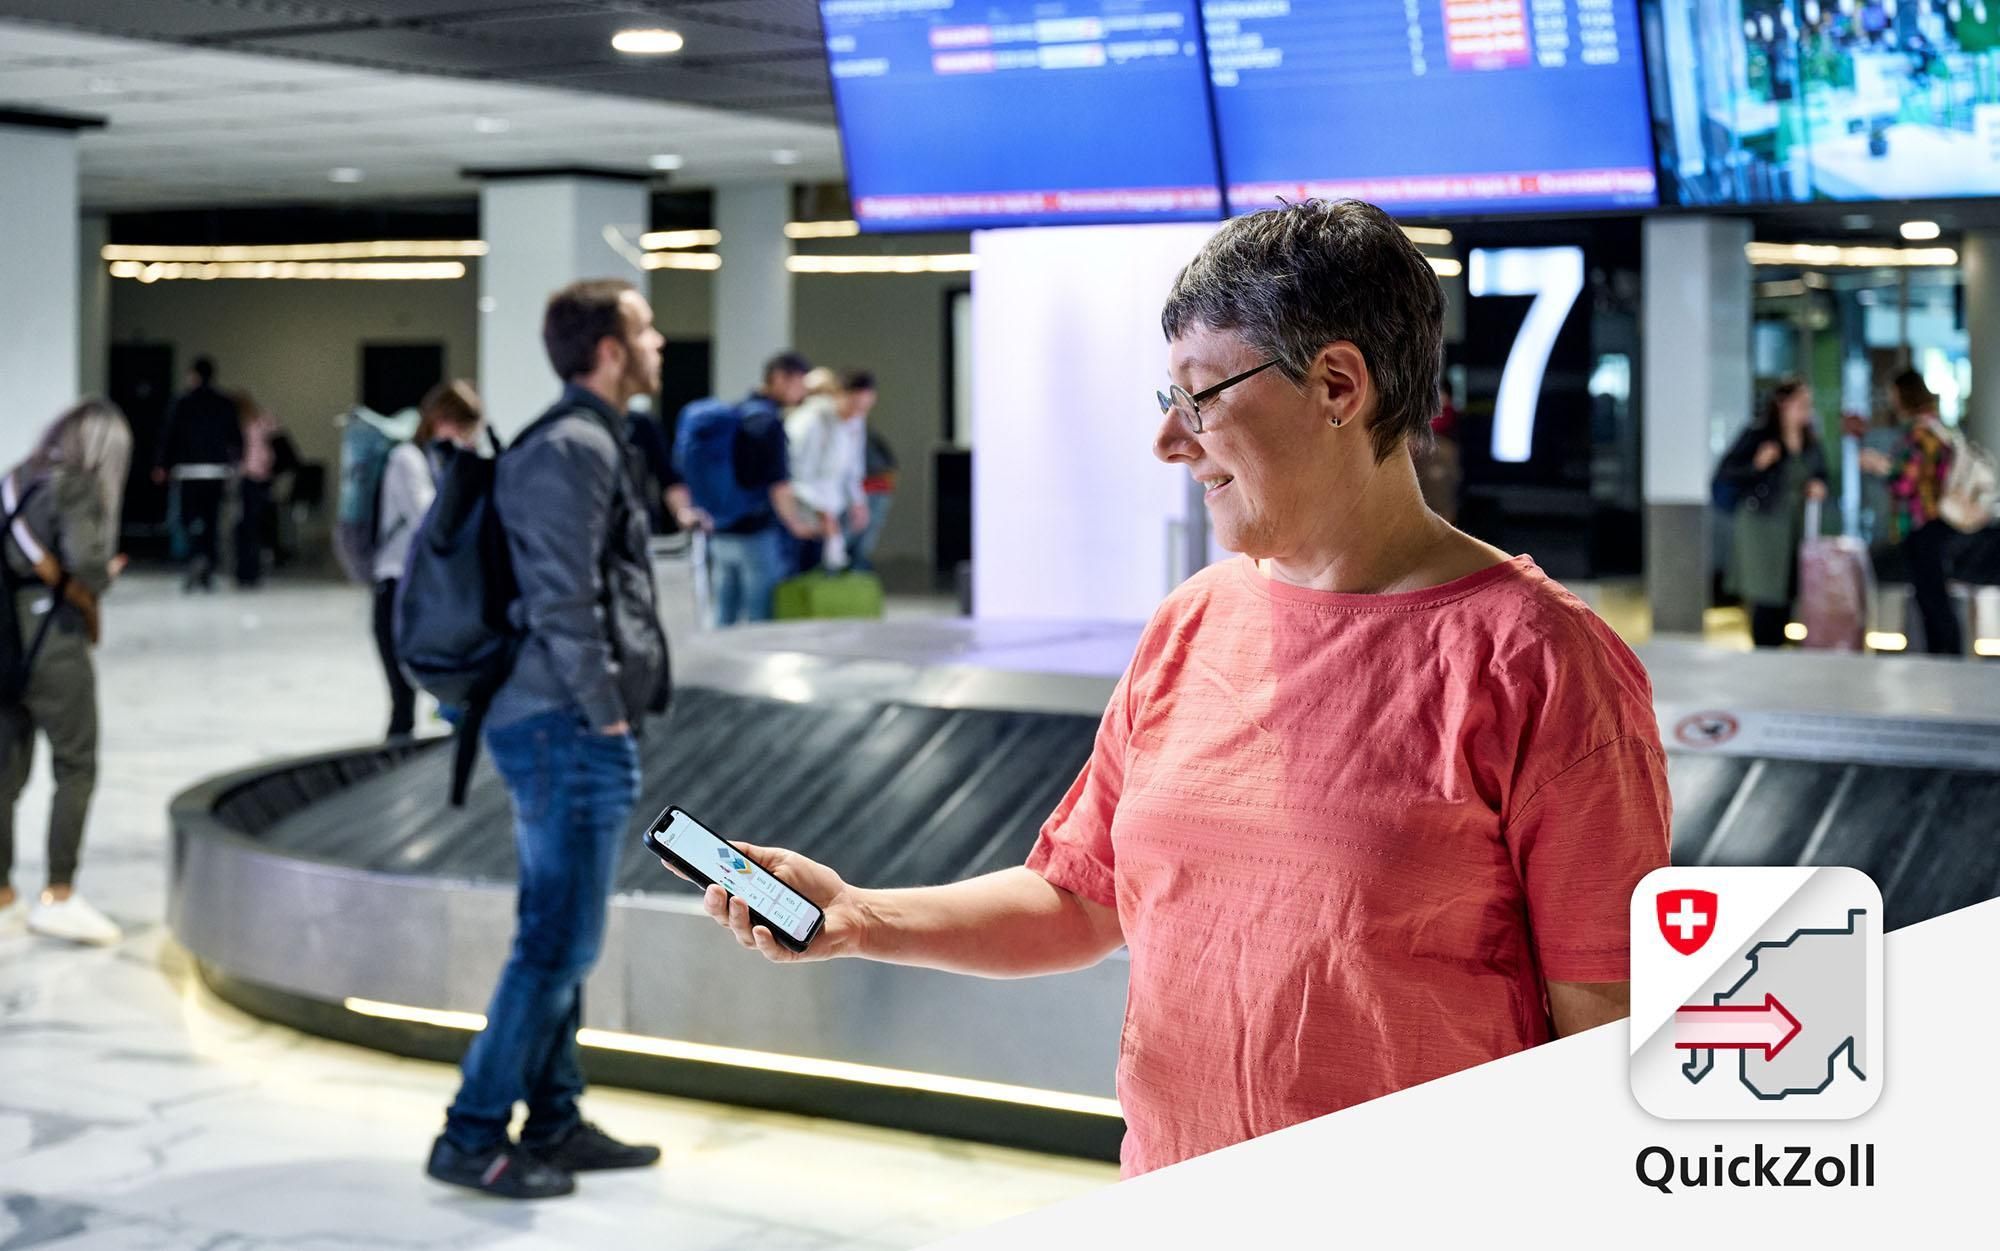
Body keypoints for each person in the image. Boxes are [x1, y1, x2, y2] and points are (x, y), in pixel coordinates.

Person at [675, 200, 1671, 1178]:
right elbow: (1077, 900)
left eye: (1200, 399)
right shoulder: (1193, 624)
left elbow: (1602, 1040)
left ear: (1336, 385)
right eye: (1169, 403)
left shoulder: (1539, 664)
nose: (1169, 443)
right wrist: (858, 916)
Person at [426, 280, 670, 1200]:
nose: (657, 342)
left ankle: (555, 1119)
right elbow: (561, 596)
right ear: (609, 350)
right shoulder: (571, 447)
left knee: (559, 930)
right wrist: (604, 706)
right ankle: (472, 1131)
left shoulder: (588, 440)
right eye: (643, 328)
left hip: (563, 721)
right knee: (556, 944)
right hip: (563, 726)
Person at [0, 400, 133, 946]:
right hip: (54, 642)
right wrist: (104, 574)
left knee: (4, 774)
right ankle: (58, 893)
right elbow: (89, 564)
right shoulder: (74, 485)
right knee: (75, 765)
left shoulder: (15, 478)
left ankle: (3, 894)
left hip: (5, 638)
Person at [373, 380, 483, 741]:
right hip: (397, 589)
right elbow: (431, 522)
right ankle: (388, 787)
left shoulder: (439, 460)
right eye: (462, 427)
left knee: (449, 695)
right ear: (440, 419)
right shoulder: (407, 459)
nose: (466, 437)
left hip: (426, 591)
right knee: (402, 701)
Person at [702, 352, 820, 624]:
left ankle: (718, 665)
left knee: (724, 613)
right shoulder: (769, 423)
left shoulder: (736, 412)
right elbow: (778, 485)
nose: (802, 391)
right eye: (800, 382)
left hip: (721, 528)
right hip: (756, 531)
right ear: (780, 378)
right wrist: (797, 525)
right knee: (760, 617)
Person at [1715, 378, 1829, 648]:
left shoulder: (1810, 439)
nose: (1806, 410)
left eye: (1808, 405)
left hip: (1794, 524)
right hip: (1762, 524)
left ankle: (1779, 644)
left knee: (1788, 587)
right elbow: (1727, 473)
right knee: (1765, 590)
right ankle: (1764, 648)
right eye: (1801, 404)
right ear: (1782, 404)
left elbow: (1821, 473)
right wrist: (1758, 464)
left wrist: (1819, 486)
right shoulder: (1758, 435)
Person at [1860, 370, 1960, 654]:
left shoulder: (1922, 431)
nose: (1891, 401)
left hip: (1924, 523)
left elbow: (1907, 481)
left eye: (1893, 394)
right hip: (1931, 522)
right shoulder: (1934, 427)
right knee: (1932, 595)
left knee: (1932, 597)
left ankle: (1945, 657)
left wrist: (1879, 465)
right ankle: (1943, 656)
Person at [153, 357, 240, 593]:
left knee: (187, 520)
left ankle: (195, 557)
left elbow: (168, 436)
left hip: (188, 471)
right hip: (215, 471)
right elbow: (235, 437)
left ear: (194, 375)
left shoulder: (182, 402)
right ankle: (208, 564)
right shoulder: (225, 403)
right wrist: (233, 463)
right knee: (211, 521)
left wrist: (162, 465)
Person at [784, 368, 873, 571]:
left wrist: (857, 501)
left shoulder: (856, 421)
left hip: (833, 504)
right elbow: (797, 472)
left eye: (864, 407)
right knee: (803, 568)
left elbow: (852, 466)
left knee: (834, 563)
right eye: (854, 405)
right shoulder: (809, 421)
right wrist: (821, 511)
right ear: (838, 395)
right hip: (803, 505)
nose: (857, 413)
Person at [623, 399, 705, 535]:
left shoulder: (640, 423)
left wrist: (683, 511)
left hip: (636, 526)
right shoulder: (580, 419)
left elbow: (668, 477)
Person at [233, 392, 280, 588]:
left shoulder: (250, 425)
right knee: (252, 526)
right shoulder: (257, 424)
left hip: (251, 478)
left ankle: (248, 570)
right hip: (257, 478)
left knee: (249, 526)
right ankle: (249, 570)